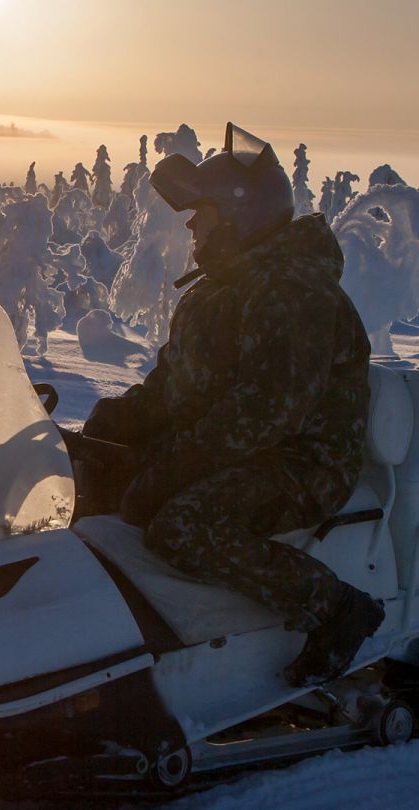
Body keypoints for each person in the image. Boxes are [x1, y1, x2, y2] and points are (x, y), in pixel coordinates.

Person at [82, 123, 383, 688]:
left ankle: (337, 607)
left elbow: (267, 413)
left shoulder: (295, 292)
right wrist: (116, 422)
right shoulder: (218, 292)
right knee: (90, 468)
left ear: (239, 214)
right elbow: (174, 388)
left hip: (301, 462)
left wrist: (174, 466)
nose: (193, 225)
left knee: (183, 527)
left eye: (203, 213)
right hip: (236, 446)